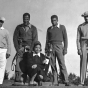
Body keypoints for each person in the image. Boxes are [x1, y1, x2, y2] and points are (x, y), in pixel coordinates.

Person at [13, 13, 38, 85]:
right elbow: (15, 39)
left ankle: (31, 80)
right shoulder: (18, 27)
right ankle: (19, 80)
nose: (25, 20)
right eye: (24, 19)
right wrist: (17, 49)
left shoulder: (33, 28)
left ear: (29, 19)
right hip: (21, 48)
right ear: (22, 19)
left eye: (27, 19)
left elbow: (35, 39)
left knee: (30, 64)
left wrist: (31, 49)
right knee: (19, 63)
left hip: (30, 49)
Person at [45, 15, 70, 86]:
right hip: (51, 47)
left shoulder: (62, 27)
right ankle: (55, 81)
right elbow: (47, 40)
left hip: (59, 46)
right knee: (52, 64)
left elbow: (65, 39)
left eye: (55, 20)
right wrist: (46, 50)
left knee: (62, 63)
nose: (53, 22)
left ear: (57, 20)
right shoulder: (49, 29)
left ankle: (66, 80)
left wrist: (65, 48)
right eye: (52, 20)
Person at [77, 11, 88, 86]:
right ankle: (82, 82)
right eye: (85, 17)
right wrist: (79, 48)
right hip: (83, 45)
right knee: (83, 64)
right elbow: (78, 39)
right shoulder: (80, 26)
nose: (86, 18)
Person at [0, 17, 11, 84]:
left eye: (1, 21)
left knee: (2, 66)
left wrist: (8, 52)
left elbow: (8, 42)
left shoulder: (5, 31)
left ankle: (0, 82)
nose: (0, 23)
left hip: (3, 50)